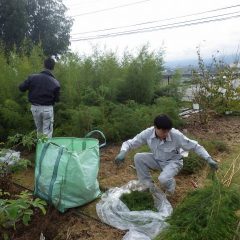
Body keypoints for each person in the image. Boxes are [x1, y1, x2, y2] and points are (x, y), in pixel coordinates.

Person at [115, 114, 218, 195]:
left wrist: (208, 159)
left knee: (163, 179)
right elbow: (130, 143)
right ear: (155, 127)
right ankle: (146, 186)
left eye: (168, 131)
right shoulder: (148, 133)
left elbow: (195, 146)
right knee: (138, 157)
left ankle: (170, 189)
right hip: (157, 159)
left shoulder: (176, 135)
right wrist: (122, 152)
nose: (166, 134)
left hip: (173, 162)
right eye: (163, 131)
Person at [19, 57, 60, 138]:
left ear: (43, 65)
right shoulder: (55, 83)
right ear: (53, 67)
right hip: (47, 109)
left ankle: (40, 149)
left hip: (35, 108)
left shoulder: (32, 77)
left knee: (39, 131)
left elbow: (21, 88)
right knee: (47, 133)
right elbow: (57, 99)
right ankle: (45, 150)